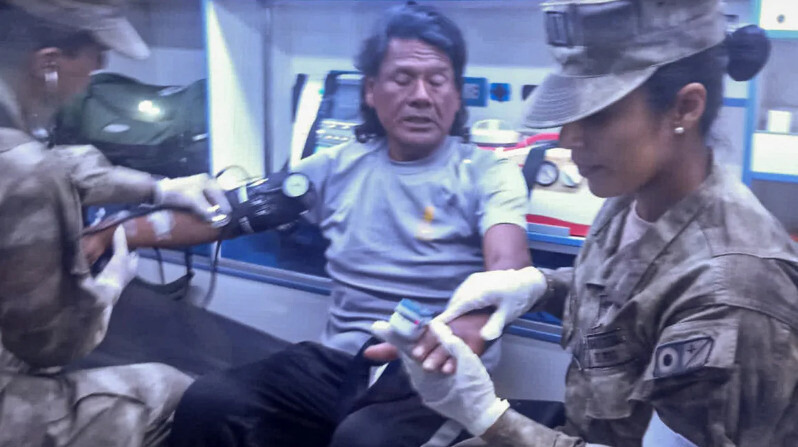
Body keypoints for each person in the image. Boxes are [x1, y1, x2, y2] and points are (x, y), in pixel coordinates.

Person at [371, 0, 798, 446]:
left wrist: (487, 416)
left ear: (684, 108)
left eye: (597, 114)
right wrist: (539, 288)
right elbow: (632, 300)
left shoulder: (734, 294)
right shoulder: (636, 193)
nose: (567, 137)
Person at [168, 4, 531, 447]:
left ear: (456, 96)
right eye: (402, 79)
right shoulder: (335, 166)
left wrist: (472, 326)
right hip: (339, 364)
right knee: (209, 401)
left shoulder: (488, 174)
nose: (421, 96)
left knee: (363, 440)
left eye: (438, 81)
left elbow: (508, 265)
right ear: (371, 91)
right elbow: (231, 214)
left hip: (435, 371)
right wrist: (118, 232)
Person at [0, 1, 232, 445]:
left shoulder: (20, 149)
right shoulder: (28, 171)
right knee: (179, 393)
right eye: (95, 58)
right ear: (48, 64)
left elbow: (52, 164)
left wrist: (160, 188)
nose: (98, 72)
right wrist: (107, 289)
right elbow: (51, 345)